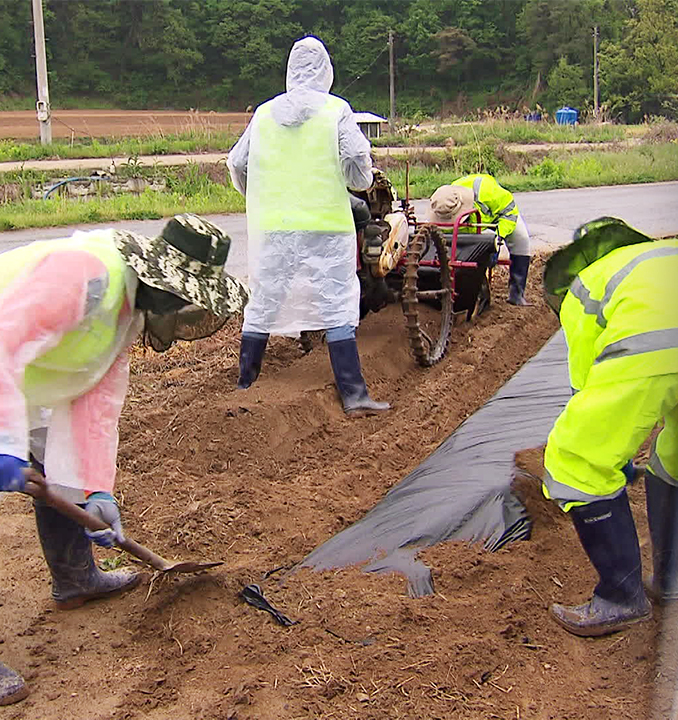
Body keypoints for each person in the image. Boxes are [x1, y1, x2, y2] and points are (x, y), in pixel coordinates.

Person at [0, 214, 250, 706]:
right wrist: (6, 445)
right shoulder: (85, 275)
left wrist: (96, 489)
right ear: (163, 282)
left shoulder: (126, 312)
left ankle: (75, 579)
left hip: (23, 381)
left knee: (55, 467)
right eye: (187, 300)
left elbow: (96, 403)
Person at [539, 217, 678, 636]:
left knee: (575, 460)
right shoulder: (673, 253)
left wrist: (612, 461)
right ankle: (670, 579)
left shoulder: (584, 287)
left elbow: (588, 389)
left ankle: (621, 597)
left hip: (656, 342)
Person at [227, 36, 389, 416]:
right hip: (325, 225)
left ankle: (245, 383)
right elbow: (355, 158)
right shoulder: (336, 110)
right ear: (326, 70)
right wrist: (359, 180)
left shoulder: (265, 113)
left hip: (273, 227)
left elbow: (237, 163)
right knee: (335, 303)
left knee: (264, 301)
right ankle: (354, 395)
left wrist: (261, 194)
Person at [428, 173, 535, 306]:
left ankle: (517, 294)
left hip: (498, 217)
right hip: (472, 225)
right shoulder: (443, 202)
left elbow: (509, 213)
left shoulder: (490, 192)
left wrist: (498, 238)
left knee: (521, 239)